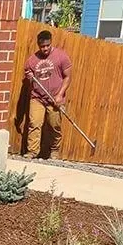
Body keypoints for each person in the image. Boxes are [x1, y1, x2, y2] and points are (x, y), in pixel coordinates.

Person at [23, 30, 71, 159]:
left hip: (55, 98)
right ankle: (32, 152)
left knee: (54, 125)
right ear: (38, 45)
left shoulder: (61, 56)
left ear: (51, 43)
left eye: (47, 45)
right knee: (34, 124)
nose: (45, 49)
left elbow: (67, 77)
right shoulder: (32, 60)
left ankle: (54, 150)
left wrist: (60, 95)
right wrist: (30, 77)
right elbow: (28, 75)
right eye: (42, 46)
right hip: (37, 97)